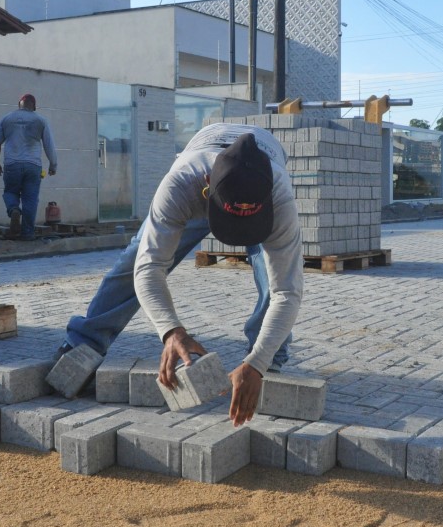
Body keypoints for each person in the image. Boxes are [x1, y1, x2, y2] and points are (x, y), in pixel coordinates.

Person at [57, 124, 302, 426]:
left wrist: (258, 363)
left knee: (271, 280)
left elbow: (287, 292)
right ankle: (85, 342)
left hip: (267, 157)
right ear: (208, 184)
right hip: (202, 158)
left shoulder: (279, 197)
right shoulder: (180, 184)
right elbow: (149, 268)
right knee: (134, 260)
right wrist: (172, 331)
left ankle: (268, 362)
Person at [0, 93, 57, 241]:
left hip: (12, 164)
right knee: (31, 199)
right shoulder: (40, 120)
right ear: (33, 106)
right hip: (33, 166)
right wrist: (53, 165)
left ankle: (14, 209)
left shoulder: (7, 119)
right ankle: (27, 233)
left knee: (10, 192)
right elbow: (49, 145)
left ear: (19, 104)